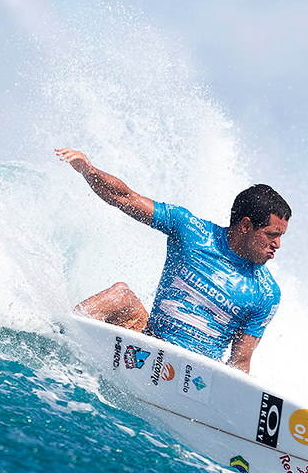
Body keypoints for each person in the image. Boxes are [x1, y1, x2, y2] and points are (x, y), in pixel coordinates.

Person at [56, 147, 290, 373]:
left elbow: (239, 363)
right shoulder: (190, 230)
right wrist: (89, 170)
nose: (277, 244)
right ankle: (55, 336)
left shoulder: (266, 293)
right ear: (246, 225)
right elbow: (125, 198)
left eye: (280, 236)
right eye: (272, 234)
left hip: (195, 375)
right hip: (149, 343)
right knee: (121, 295)